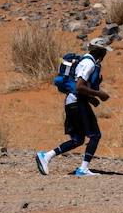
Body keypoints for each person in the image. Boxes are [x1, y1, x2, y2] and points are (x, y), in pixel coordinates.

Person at [36, 38, 111, 177]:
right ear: (100, 51)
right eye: (105, 50)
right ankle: (83, 169)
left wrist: (91, 99)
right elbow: (79, 86)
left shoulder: (85, 61)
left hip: (73, 102)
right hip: (77, 103)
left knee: (78, 139)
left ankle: (46, 156)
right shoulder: (89, 64)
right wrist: (99, 94)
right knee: (95, 135)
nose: (106, 53)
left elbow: (78, 87)